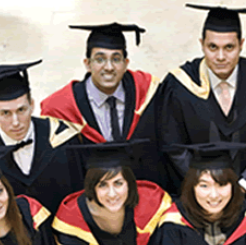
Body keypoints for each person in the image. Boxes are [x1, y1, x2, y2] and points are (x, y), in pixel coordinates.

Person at [159, 4, 246, 201]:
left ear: (241, 44)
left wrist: (243, 186)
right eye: (212, 47)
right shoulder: (180, 85)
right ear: (202, 44)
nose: (220, 57)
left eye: (229, 47)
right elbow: (174, 147)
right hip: (198, 196)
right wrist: (206, 187)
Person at [40, 23, 164, 185]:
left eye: (116, 59)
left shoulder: (148, 92)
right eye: (100, 59)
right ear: (87, 64)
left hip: (141, 190)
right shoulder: (61, 107)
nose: (109, 67)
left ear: (126, 63)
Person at [0, 60, 80, 217]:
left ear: (32, 105)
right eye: (5, 113)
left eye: (21, 110)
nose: (15, 122)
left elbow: (81, 198)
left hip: (62, 238)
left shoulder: (63, 139)